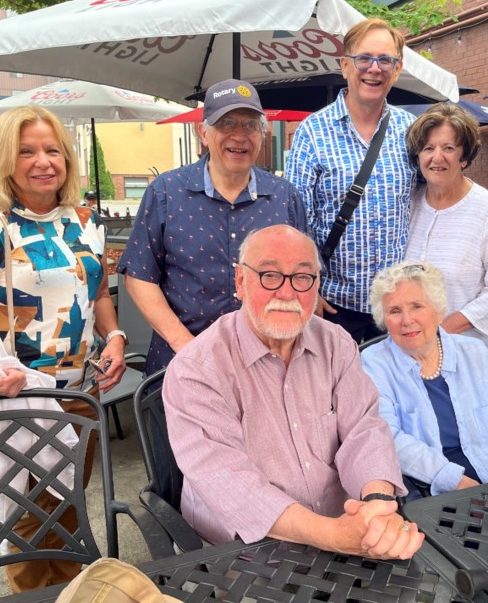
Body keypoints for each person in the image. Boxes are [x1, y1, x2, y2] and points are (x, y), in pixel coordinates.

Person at [0, 105, 127, 592]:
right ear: (5, 160)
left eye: (52, 150)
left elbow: (99, 294)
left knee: (68, 506)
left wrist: (116, 338)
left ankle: (69, 594)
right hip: (21, 397)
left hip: (82, 394)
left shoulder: (85, 222)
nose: (43, 161)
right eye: (27, 151)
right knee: (27, 520)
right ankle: (38, 596)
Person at [163, 225, 424, 560]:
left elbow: (363, 428)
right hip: (246, 552)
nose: (287, 293)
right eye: (270, 275)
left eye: (303, 278)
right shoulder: (196, 368)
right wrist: (332, 535)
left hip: (346, 528)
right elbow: (228, 481)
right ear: (241, 282)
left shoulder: (336, 342)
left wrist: (376, 503)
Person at [118, 79, 306, 374]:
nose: (239, 136)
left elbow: (299, 274)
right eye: (226, 124)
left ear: (263, 134)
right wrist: (187, 346)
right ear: (203, 132)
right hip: (181, 362)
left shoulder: (285, 197)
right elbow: (139, 276)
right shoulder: (166, 192)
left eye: (250, 126)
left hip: (265, 365)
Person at [286, 18, 416, 343]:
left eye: (385, 60)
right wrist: (306, 289)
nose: (374, 68)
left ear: (397, 69)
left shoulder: (412, 130)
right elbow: (295, 222)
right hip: (332, 308)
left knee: (396, 394)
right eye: (364, 58)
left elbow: (438, 195)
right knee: (332, 393)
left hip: (397, 308)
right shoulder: (312, 132)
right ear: (345, 65)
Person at [360, 261, 488, 499]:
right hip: (431, 494)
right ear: (383, 319)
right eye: (394, 311)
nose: (407, 320)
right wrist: (455, 481)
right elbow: (388, 439)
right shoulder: (373, 364)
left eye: (417, 306)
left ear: (439, 311)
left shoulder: (475, 353)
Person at [404, 103, 488, 366]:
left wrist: (439, 330)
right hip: (412, 353)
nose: (437, 157)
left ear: (464, 157)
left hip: (471, 354)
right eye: (428, 148)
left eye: (448, 148)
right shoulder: (408, 205)